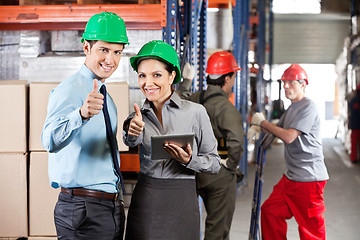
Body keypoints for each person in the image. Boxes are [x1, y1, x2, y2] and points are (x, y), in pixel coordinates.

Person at [41, 12, 128, 239]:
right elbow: (49, 139)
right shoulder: (70, 90)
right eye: (104, 50)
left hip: (108, 206)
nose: (111, 59)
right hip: (84, 209)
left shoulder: (104, 96)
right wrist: (80, 114)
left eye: (117, 52)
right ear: (86, 47)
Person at [122, 40, 221, 240]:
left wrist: (189, 161)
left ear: (172, 76)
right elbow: (131, 141)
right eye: (142, 76)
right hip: (146, 199)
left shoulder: (195, 113)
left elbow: (215, 163)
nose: (147, 83)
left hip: (181, 199)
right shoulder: (137, 117)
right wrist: (132, 131)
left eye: (156, 75)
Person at [250, 64, 329, 240]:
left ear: (303, 84)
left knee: (310, 229)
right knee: (270, 211)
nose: (285, 86)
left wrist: (263, 123)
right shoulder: (292, 107)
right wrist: (258, 128)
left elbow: (289, 136)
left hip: (309, 179)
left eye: (290, 82)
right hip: (292, 177)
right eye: (284, 82)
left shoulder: (309, 107)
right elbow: (277, 129)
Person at [178, 51, 245, 240]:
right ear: (227, 78)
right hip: (219, 176)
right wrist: (230, 165)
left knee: (188, 226)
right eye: (233, 77)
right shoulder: (226, 109)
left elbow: (177, 104)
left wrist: (186, 82)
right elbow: (237, 143)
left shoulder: (195, 99)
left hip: (194, 170)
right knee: (217, 230)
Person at [349, 84, 360, 163]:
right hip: (356, 125)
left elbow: (350, 111)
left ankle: (353, 158)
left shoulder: (353, 100)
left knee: (354, 143)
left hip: (355, 125)